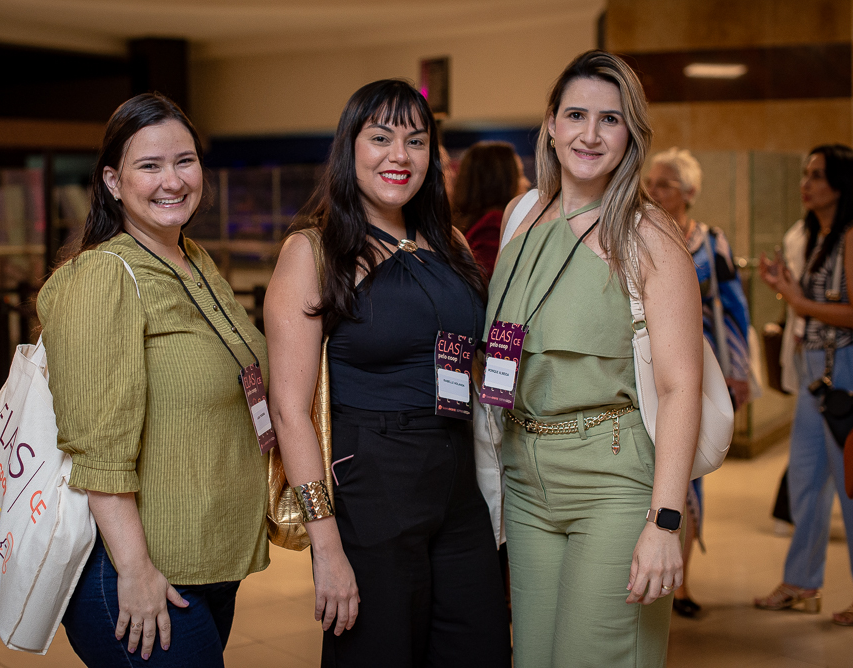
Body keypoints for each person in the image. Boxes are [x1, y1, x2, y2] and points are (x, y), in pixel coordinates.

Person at [265, 79, 511, 668]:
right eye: (380, 138)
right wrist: (326, 545)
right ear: (350, 149)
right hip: (372, 482)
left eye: (416, 140)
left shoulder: (446, 241)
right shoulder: (315, 250)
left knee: (477, 646)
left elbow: (474, 355)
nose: (399, 156)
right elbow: (287, 408)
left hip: (456, 481)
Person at [39, 93, 270, 666]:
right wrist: (136, 569)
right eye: (150, 166)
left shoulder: (193, 257)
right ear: (114, 182)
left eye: (184, 161)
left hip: (206, 557)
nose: (173, 180)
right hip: (140, 571)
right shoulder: (101, 275)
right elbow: (99, 448)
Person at [488, 50, 700, 667]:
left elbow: (681, 386)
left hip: (614, 480)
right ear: (550, 123)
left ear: (631, 133)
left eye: (610, 119)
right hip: (526, 479)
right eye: (575, 114)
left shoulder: (648, 233)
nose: (589, 133)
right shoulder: (521, 215)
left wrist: (664, 522)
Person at [755, 144, 853, 626]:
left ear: (840, 183)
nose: (806, 182)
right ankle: (803, 580)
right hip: (813, 374)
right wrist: (787, 291)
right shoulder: (818, 234)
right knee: (804, 481)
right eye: (805, 173)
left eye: (817, 175)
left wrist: (797, 300)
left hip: (848, 370)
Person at [646, 147, 753, 618]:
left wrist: (740, 371)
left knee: (690, 473)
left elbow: (733, 308)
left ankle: (682, 583)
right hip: (647, 366)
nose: (654, 188)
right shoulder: (637, 232)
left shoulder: (710, 242)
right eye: (651, 180)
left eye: (665, 182)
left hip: (699, 367)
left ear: (689, 192)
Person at [452, 141, 531, 278]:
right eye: (519, 175)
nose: (527, 182)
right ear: (500, 181)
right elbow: (493, 283)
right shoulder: (495, 223)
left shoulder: (463, 221)